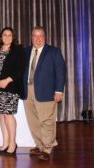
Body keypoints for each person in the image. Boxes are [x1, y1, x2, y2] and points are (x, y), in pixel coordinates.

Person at [23, 26, 66, 161]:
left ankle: (47, 149)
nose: (38, 39)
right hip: (27, 91)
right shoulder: (25, 52)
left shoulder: (54, 51)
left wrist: (59, 90)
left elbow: (61, 72)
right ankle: (40, 144)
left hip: (47, 91)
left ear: (45, 37)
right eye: (35, 36)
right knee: (33, 121)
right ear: (31, 38)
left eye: (40, 36)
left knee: (47, 121)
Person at [0, 27, 25, 156]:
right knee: (1, 114)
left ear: (13, 37)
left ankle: (12, 144)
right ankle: (5, 143)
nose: (7, 37)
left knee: (8, 114)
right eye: (5, 34)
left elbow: (20, 69)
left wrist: (7, 80)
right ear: (1, 37)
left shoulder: (18, 50)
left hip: (11, 86)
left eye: (10, 35)